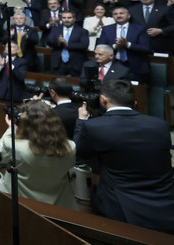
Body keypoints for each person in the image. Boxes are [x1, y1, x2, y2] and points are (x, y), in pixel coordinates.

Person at [74, 80, 174, 234]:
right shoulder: (160, 125)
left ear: (103, 100)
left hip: (119, 208)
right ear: (135, 103)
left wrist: (81, 121)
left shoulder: (94, 126)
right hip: (164, 205)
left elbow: (79, 153)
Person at [0, 100, 77, 210]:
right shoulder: (70, 147)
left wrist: (11, 130)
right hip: (58, 204)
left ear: (24, 123)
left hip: (20, 202)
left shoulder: (15, 145)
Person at [45, 11, 89, 77]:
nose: (66, 20)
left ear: (74, 19)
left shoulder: (82, 31)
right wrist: (58, 42)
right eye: (64, 18)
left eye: (69, 18)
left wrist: (67, 44)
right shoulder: (55, 29)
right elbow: (49, 41)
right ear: (61, 19)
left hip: (75, 63)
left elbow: (84, 45)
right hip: (58, 63)